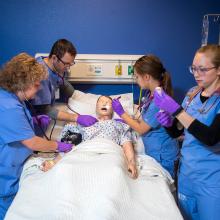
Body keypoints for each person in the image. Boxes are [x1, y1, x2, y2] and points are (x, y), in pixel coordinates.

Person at [0, 53, 74, 219]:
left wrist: (33, 120)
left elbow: (14, 127)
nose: (40, 87)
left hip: (17, 166)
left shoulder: (14, 99)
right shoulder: (9, 106)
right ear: (22, 84)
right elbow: (33, 143)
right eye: (36, 83)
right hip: (5, 175)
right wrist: (59, 146)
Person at [153, 44, 220, 220]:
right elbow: (177, 132)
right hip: (187, 175)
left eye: (203, 69)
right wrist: (168, 124)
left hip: (211, 180)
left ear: (219, 70)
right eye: (194, 69)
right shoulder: (192, 94)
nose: (196, 74)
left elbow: (211, 137)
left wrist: (177, 112)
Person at [112, 55, 179, 178]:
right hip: (154, 152)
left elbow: (142, 129)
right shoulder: (151, 95)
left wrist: (122, 113)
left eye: (136, 77)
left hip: (163, 156)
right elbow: (144, 118)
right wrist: (127, 120)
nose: (136, 80)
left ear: (147, 77)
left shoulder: (158, 101)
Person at [41, 95, 138, 179]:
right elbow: (69, 145)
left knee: (114, 171)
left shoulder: (120, 125)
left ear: (113, 109)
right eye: (101, 102)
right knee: (67, 169)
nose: (104, 104)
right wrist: (54, 162)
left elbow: (127, 145)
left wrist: (131, 162)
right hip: (85, 152)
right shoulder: (83, 123)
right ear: (96, 108)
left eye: (108, 102)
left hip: (109, 154)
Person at [29, 39, 97, 136]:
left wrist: (77, 96)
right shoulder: (41, 75)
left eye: (71, 63)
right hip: (35, 123)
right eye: (66, 64)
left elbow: (61, 81)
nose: (68, 68)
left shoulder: (53, 66)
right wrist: (76, 118)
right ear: (54, 58)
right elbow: (45, 110)